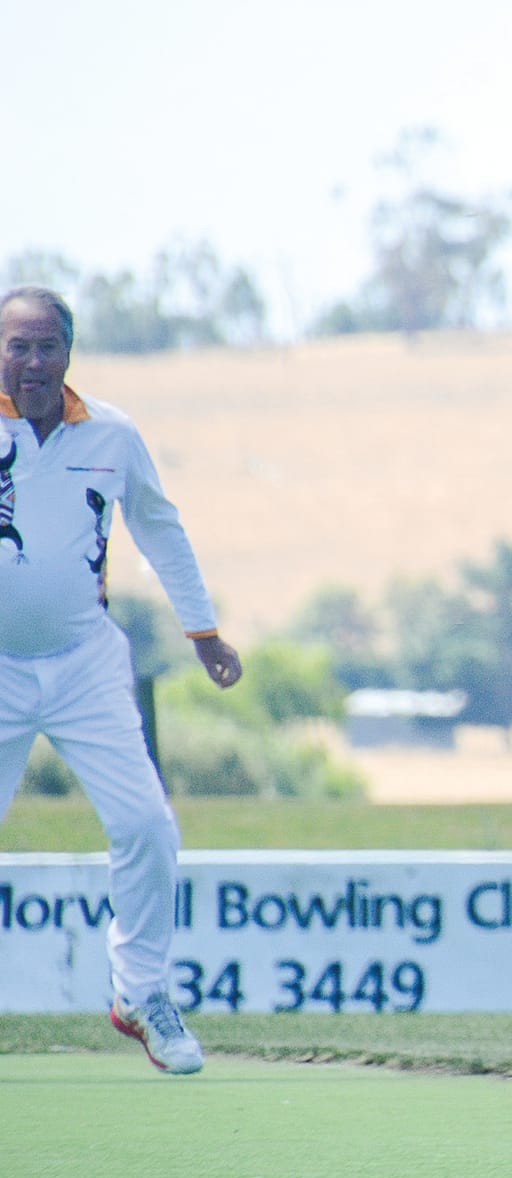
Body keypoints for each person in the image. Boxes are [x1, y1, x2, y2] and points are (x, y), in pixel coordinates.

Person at [0, 285, 244, 1075]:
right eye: (17, 345)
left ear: (68, 354)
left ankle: (140, 993)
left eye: (47, 346)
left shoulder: (111, 433)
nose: (32, 361)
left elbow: (159, 528)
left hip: (85, 663)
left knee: (146, 827)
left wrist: (203, 632)